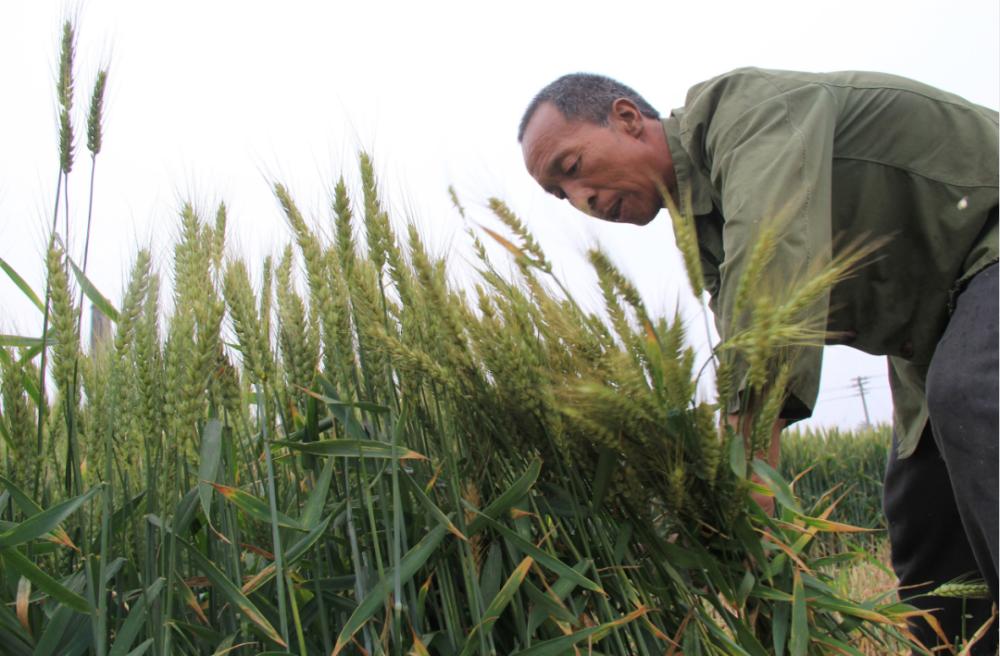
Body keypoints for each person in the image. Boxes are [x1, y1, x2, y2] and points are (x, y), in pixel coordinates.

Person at [518, 68, 998, 653]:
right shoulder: (702, 226)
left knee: (972, 396)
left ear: (626, 118)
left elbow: (770, 287)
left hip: (987, 244)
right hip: (938, 328)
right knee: (923, 515)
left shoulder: (747, 114)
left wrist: (752, 491)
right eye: (558, 194)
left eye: (571, 169)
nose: (581, 200)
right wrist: (728, 486)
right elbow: (739, 346)